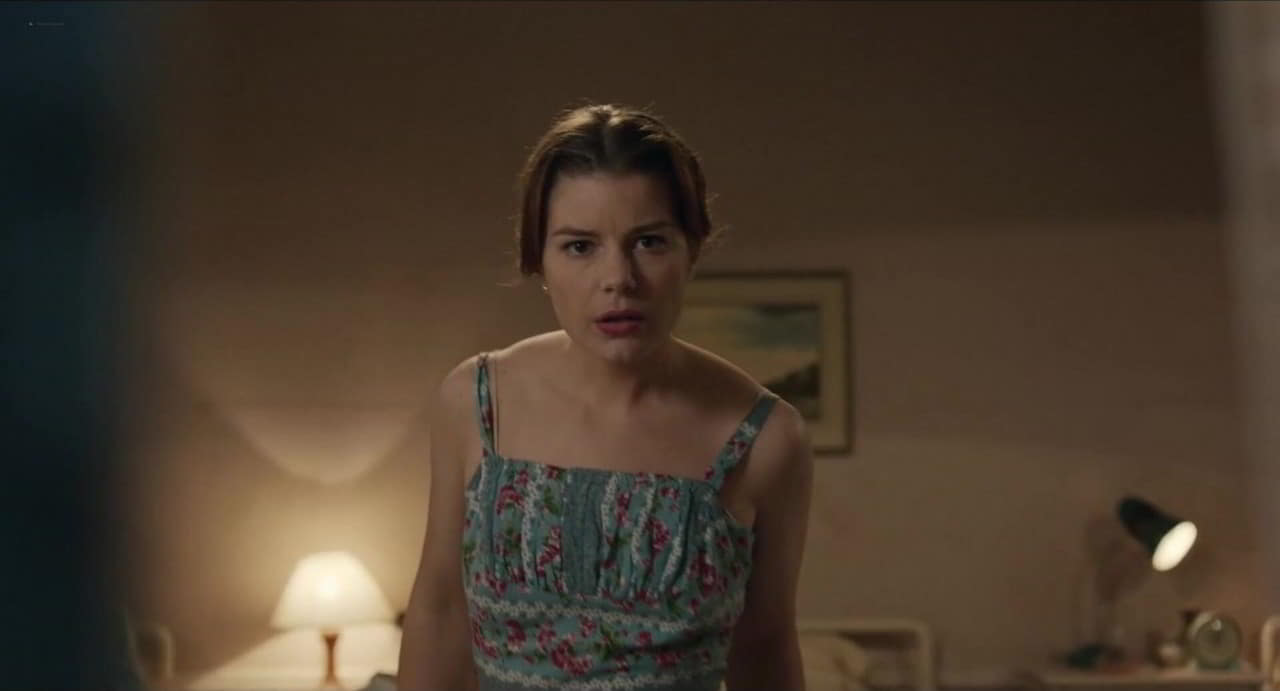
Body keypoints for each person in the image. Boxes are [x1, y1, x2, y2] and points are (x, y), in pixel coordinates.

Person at [398, 102, 813, 691]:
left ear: (692, 250)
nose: (618, 278)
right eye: (579, 246)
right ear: (539, 260)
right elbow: (440, 610)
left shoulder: (765, 436)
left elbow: (766, 644)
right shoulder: (474, 401)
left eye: (649, 242)